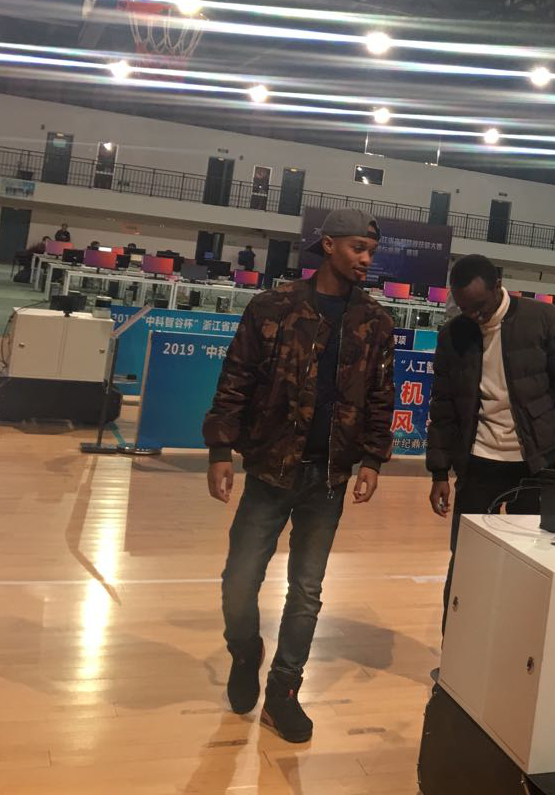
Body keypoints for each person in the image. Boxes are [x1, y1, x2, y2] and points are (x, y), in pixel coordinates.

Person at [203, 208, 395, 744]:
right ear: (328, 245)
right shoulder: (274, 306)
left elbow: (380, 396)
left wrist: (372, 460)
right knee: (239, 581)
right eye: (358, 248)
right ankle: (246, 651)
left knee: (306, 592)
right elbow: (236, 378)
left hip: (329, 478)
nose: (366, 259)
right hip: (270, 469)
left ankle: (283, 692)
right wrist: (220, 449)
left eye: (371, 251)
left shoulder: (375, 321)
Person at [426, 254, 555, 623]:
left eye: (479, 307)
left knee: (532, 561)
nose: (473, 316)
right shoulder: (453, 335)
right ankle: (455, 643)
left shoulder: (541, 319)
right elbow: (443, 406)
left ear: (498, 287)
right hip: (478, 464)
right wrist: (439, 472)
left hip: (534, 464)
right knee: (466, 560)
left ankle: (520, 640)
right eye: (464, 308)